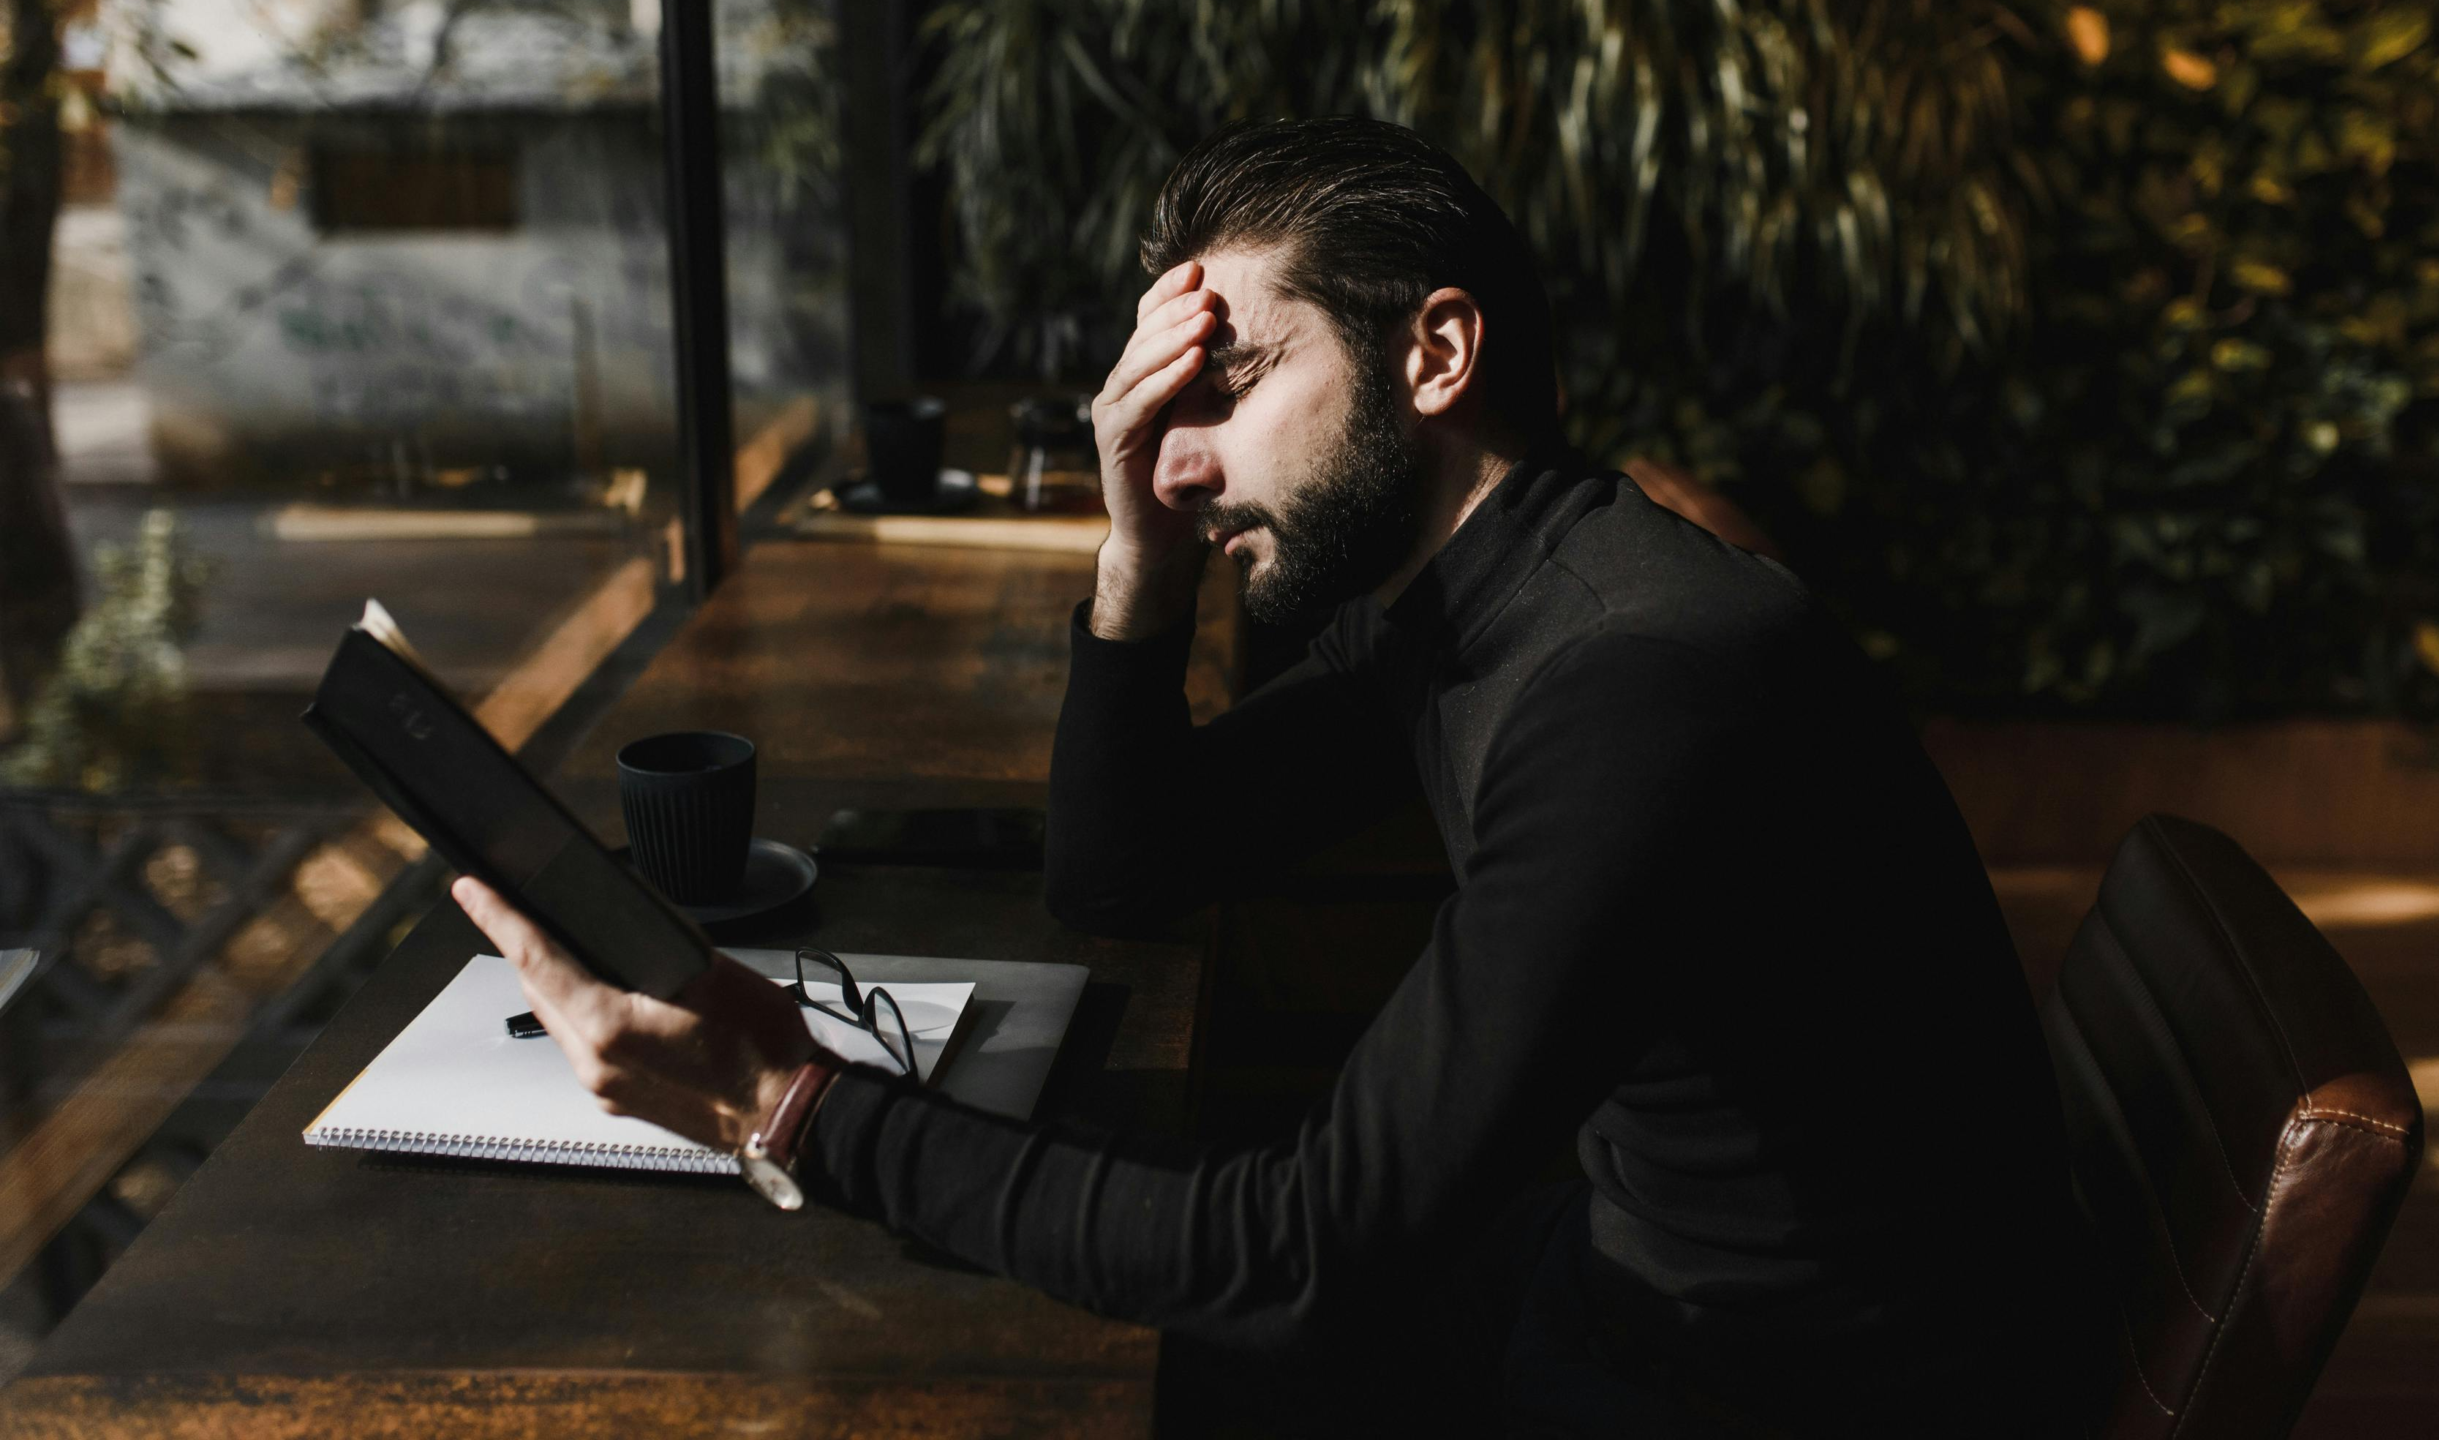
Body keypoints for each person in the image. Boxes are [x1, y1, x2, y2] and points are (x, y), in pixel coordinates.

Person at [454, 117, 2102, 1435]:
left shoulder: (1635, 678)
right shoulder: (1465, 601)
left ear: (1434, 355)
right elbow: (1125, 877)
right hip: (1629, 1285)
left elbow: (1307, 1257)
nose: (1178, 453)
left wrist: (786, 1104)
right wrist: (1138, 555)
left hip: (1766, 1390)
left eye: (1228, 388)